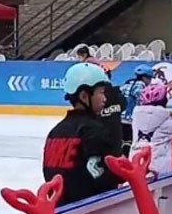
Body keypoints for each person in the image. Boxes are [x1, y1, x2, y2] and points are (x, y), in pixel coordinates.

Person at [42, 62, 121, 206]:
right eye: (101, 92)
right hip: (90, 212)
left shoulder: (55, 132)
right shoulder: (94, 130)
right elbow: (105, 180)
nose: (105, 98)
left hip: (59, 211)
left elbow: (49, 173)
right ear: (84, 96)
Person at [131, 83, 172, 179]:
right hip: (158, 169)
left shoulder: (135, 118)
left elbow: (151, 115)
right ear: (164, 100)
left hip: (136, 164)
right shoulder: (169, 121)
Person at [120, 64, 155, 156]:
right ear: (145, 78)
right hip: (130, 118)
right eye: (150, 78)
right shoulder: (141, 85)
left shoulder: (127, 83)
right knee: (129, 141)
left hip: (120, 117)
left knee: (121, 140)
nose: (150, 81)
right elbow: (141, 98)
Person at [98, 64, 125, 154]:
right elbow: (123, 106)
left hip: (99, 143)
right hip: (116, 141)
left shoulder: (94, 97)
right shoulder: (118, 94)